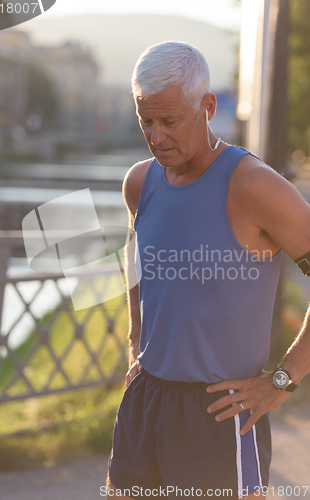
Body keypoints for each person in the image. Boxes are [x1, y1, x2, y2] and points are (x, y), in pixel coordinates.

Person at [104, 41, 310, 500]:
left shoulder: (254, 187)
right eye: (146, 121)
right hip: (145, 400)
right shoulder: (141, 181)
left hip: (220, 414)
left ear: (207, 107)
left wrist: (283, 380)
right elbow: (135, 254)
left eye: (170, 121)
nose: (156, 136)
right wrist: (136, 338)